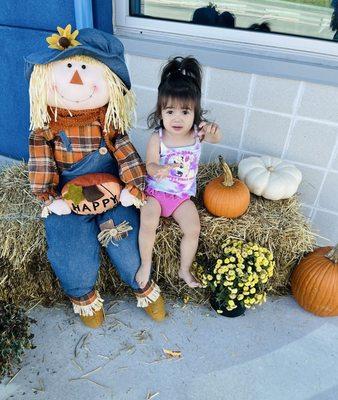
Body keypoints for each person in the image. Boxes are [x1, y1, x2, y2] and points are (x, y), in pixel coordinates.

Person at [25, 25, 165, 328]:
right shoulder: (47, 128)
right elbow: (41, 163)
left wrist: (133, 186)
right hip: (69, 193)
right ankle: (85, 297)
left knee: (125, 239)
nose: (75, 78)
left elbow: (125, 152)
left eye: (85, 67)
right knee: (68, 243)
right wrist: (49, 197)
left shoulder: (108, 123)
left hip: (111, 188)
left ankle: (143, 286)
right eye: (68, 67)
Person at [136, 56, 222, 289]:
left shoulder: (197, 134)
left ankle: (184, 269)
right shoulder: (158, 138)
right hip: (156, 193)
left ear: (195, 113)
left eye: (185, 112)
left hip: (181, 197)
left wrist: (213, 131)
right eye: (170, 111)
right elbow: (150, 164)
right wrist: (157, 169)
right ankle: (146, 263)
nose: (177, 118)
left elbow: (216, 138)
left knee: (193, 229)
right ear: (160, 111)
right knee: (148, 221)